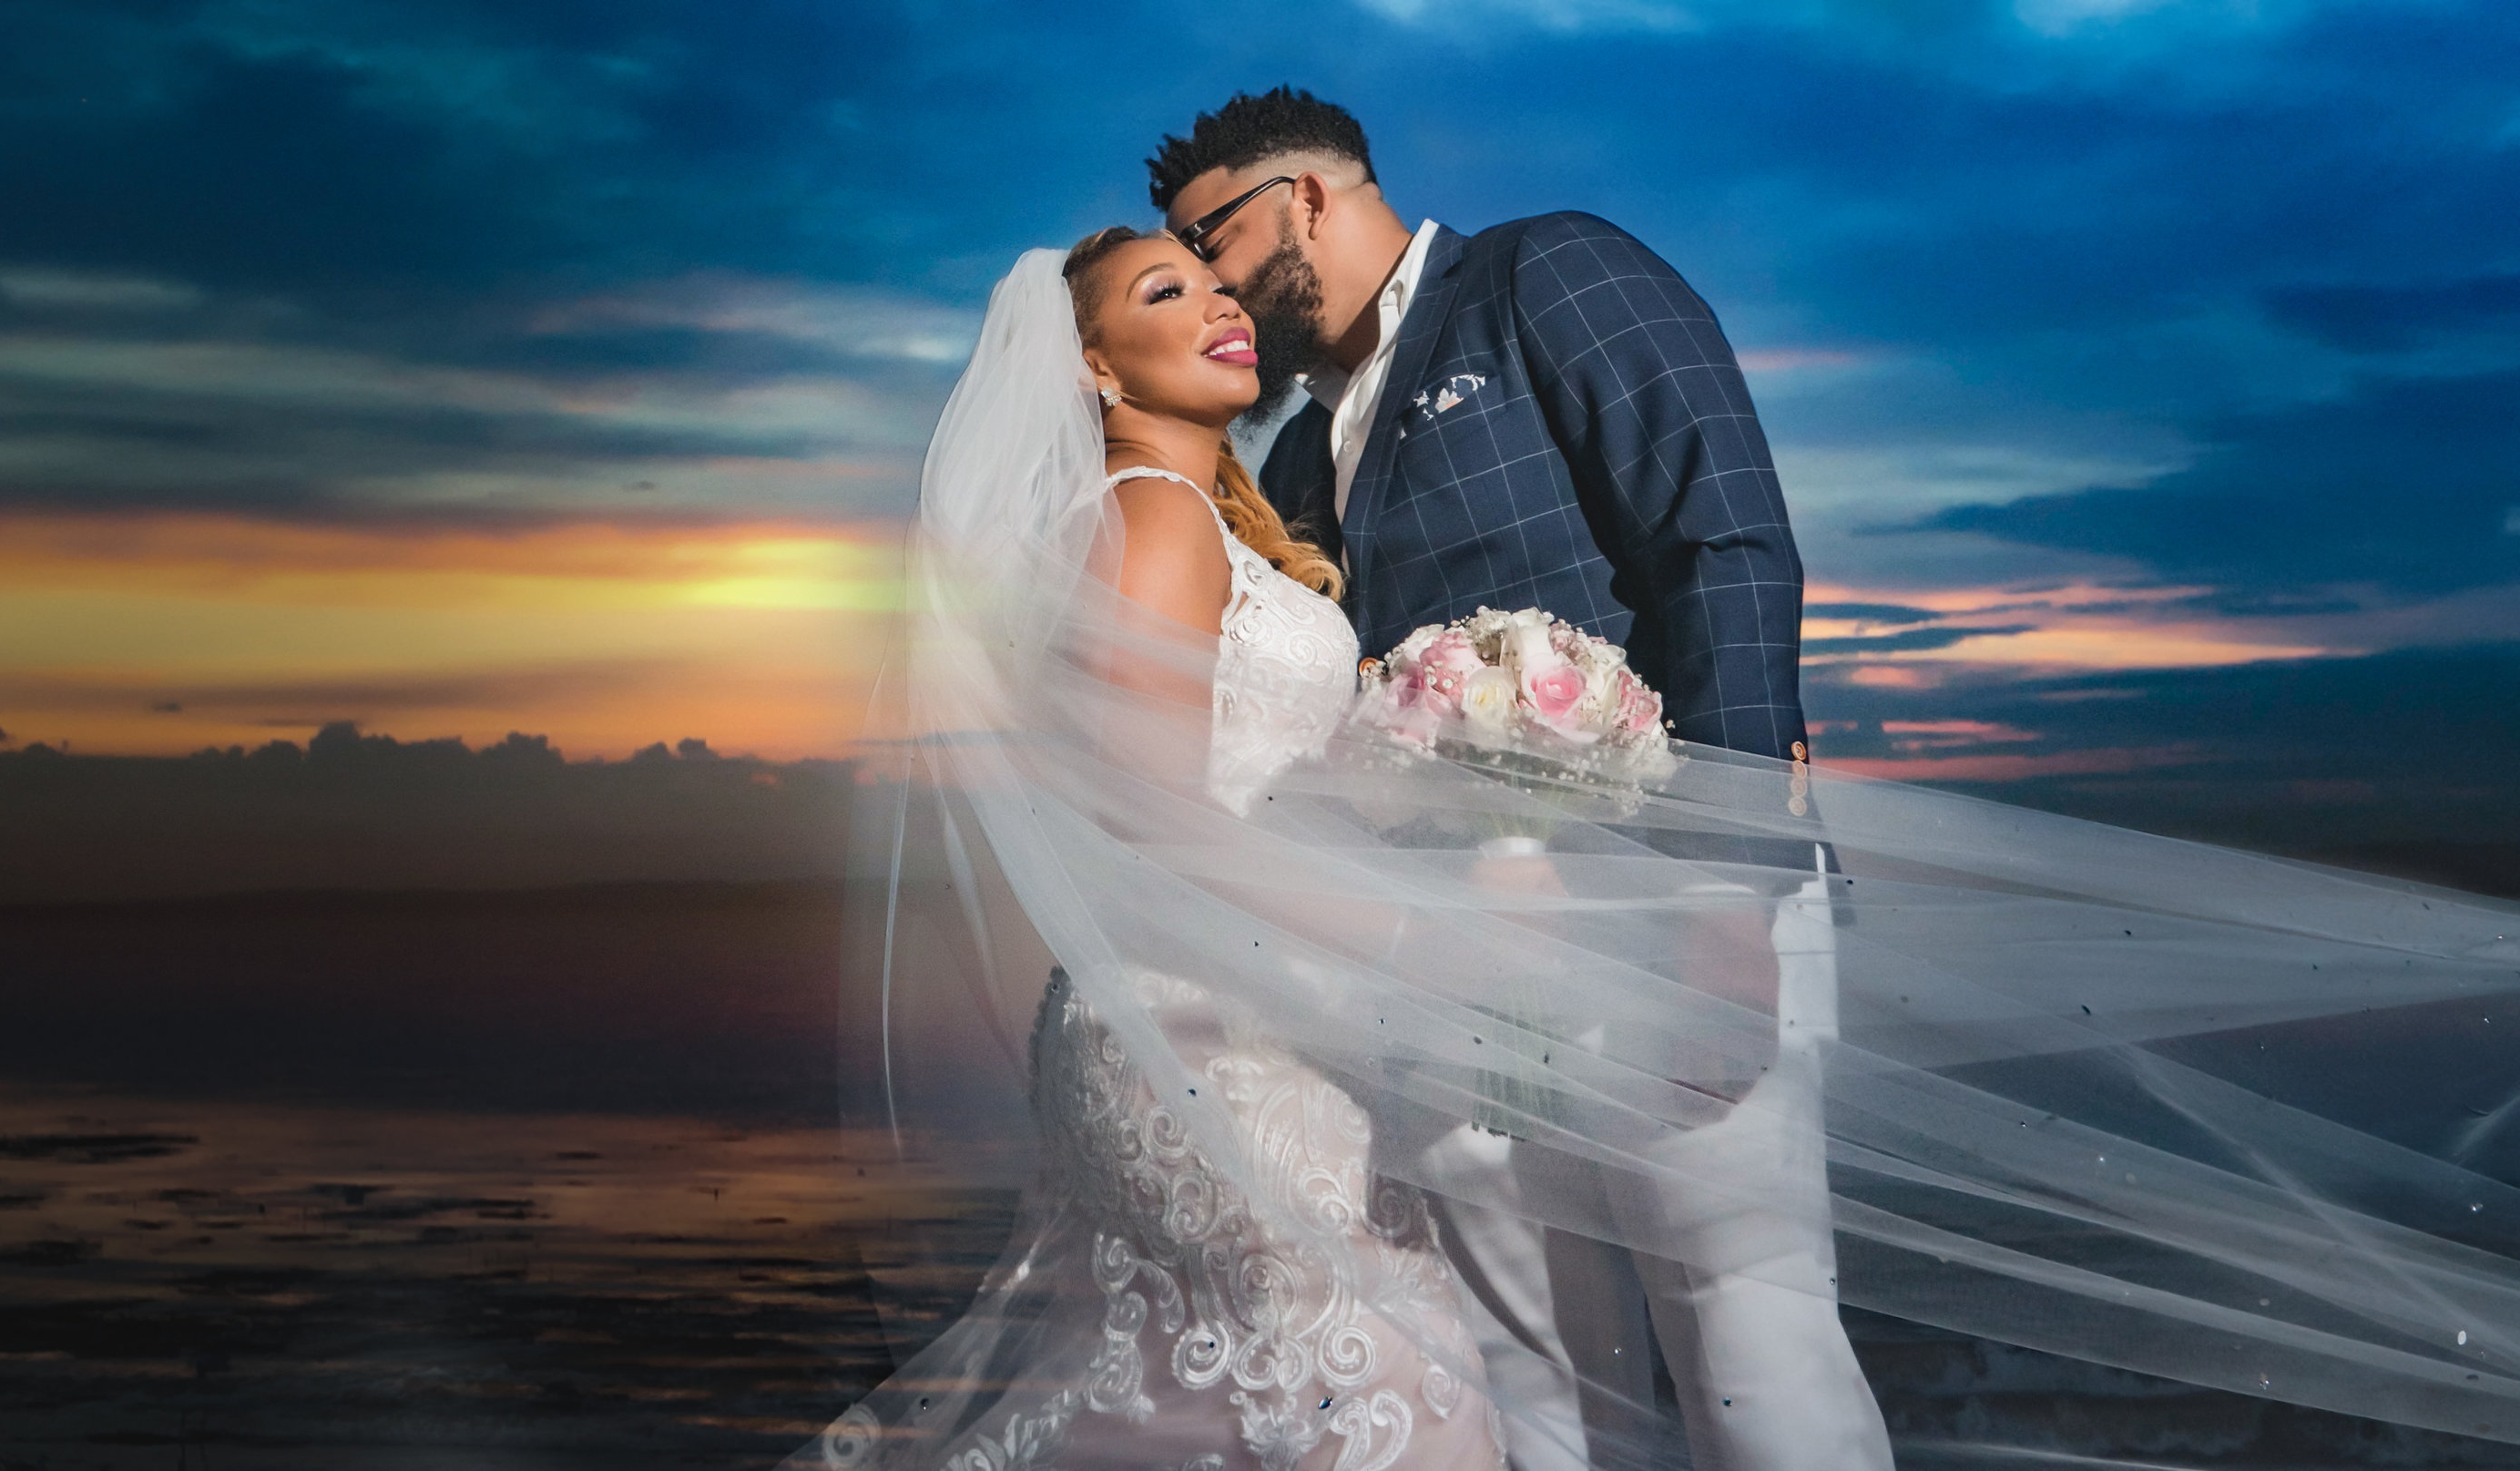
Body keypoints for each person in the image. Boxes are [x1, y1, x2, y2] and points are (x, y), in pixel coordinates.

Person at [796, 230, 2520, 1471]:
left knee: (1351, 1377)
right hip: (1224, 1024)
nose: (1226, 302)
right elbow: (1160, 816)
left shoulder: (1297, 478)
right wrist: (1415, 939)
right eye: (1172, 287)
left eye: (1223, 273)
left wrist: (1530, 819)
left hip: (1304, 1005)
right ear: (1091, 366)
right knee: (1393, 1387)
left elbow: (1713, 541)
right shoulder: (1161, 520)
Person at [1148, 88, 1870, 1470]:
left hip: (1664, 917)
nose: (1214, 287)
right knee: (1534, 1378)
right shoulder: (1302, 450)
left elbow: (1720, 544)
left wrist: (1731, 896)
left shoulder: (1548, 274)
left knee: (1750, 1343)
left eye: (1212, 237)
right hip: (1447, 981)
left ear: (1304, 196)